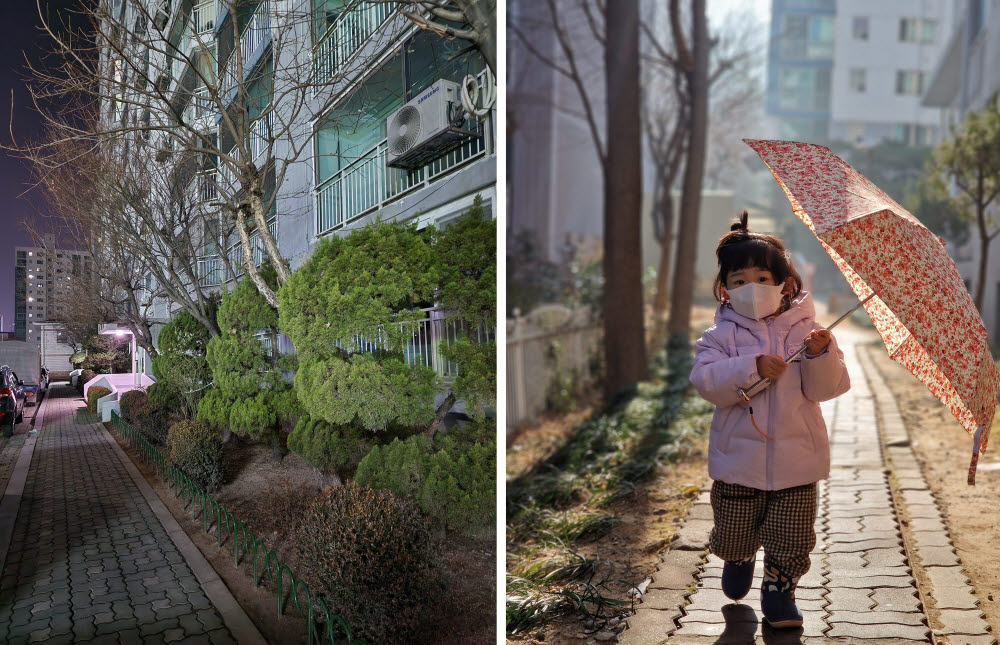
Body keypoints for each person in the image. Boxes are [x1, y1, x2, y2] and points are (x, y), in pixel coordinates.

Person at [689, 211, 851, 628]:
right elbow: (707, 381)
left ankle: (780, 587)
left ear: (787, 285)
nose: (752, 290)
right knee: (733, 531)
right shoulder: (718, 338)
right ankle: (739, 555)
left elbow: (826, 389)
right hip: (737, 462)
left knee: (793, 537)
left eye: (762, 278)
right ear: (725, 290)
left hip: (797, 460)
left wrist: (819, 355)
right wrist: (752, 367)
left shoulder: (809, 332)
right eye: (739, 282)